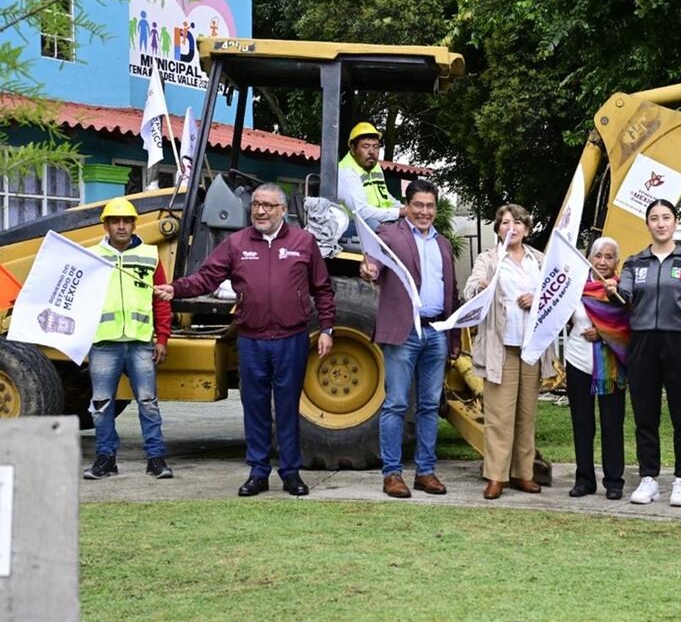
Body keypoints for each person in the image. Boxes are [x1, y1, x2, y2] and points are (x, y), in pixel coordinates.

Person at [155, 183, 335, 497]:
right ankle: (258, 472)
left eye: (268, 206)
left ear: (283, 210)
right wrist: (176, 288)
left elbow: (322, 288)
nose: (260, 211)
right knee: (254, 408)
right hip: (252, 340)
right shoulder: (236, 243)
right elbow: (207, 277)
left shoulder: (303, 242)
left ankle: (291, 473)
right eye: (256, 205)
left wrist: (328, 329)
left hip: (291, 340)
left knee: (288, 408)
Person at [360, 179, 461, 498]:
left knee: (429, 405)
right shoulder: (390, 234)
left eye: (430, 206)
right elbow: (375, 262)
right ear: (407, 206)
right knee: (396, 403)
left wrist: (454, 338)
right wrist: (370, 269)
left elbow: (451, 292)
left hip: (436, 332)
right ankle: (392, 474)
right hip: (404, 332)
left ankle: (425, 472)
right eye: (418, 205)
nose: (424, 211)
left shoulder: (443, 244)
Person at [607, 198, 681, 507]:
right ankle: (649, 477)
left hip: (680, 341)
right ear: (647, 224)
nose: (661, 223)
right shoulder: (635, 262)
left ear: (675, 222)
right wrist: (614, 292)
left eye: (666, 217)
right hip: (643, 342)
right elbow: (625, 295)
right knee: (645, 413)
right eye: (655, 218)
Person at [465, 204, 557, 500]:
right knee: (499, 416)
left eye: (517, 223)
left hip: (532, 348)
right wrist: (482, 286)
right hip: (500, 348)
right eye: (505, 223)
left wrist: (538, 298)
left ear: (527, 230)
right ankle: (496, 477)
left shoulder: (539, 260)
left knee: (526, 416)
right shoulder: (489, 259)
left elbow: (555, 296)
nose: (511, 227)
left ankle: (523, 474)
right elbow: (470, 290)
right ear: (498, 229)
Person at [83, 197, 173, 481]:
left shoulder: (149, 255)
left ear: (134, 225)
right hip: (103, 344)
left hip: (140, 343)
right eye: (115, 222)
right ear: (106, 226)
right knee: (101, 405)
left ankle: (156, 459)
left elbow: (161, 300)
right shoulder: (91, 257)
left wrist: (162, 338)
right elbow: (81, 301)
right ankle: (105, 459)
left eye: (126, 221)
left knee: (148, 402)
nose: (121, 226)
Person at [565, 237, 629, 499]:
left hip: (610, 365)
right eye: (598, 256)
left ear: (616, 262)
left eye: (609, 257)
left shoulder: (622, 290)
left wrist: (603, 333)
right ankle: (584, 479)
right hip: (577, 360)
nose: (602, 261)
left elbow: (629, 326)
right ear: (589, 259)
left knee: (612, 424)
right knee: (582, 422)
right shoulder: (575, 287)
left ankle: (614, 481)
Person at [337, 121, 405, 231]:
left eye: (376, 147)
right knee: (376, 227)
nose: (372, 152)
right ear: (353, 149)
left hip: (378, 219)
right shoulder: (346, 171)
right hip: (351, 224)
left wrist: (406, 209)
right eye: (366, 146)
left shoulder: (374, 165)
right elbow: (361, 212)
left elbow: (384, 195)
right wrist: (398, 212)